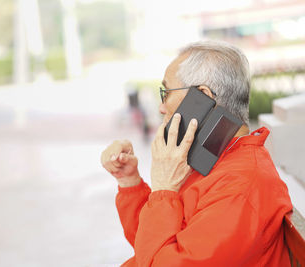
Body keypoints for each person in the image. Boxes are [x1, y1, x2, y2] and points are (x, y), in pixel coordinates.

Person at [100, 41, 293, 266]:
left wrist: (164, 189)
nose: (162, 108)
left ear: (202, 98)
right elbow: (150, 246)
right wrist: (130, 182)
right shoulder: (212, 161)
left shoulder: (241, 186)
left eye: (166, 93)